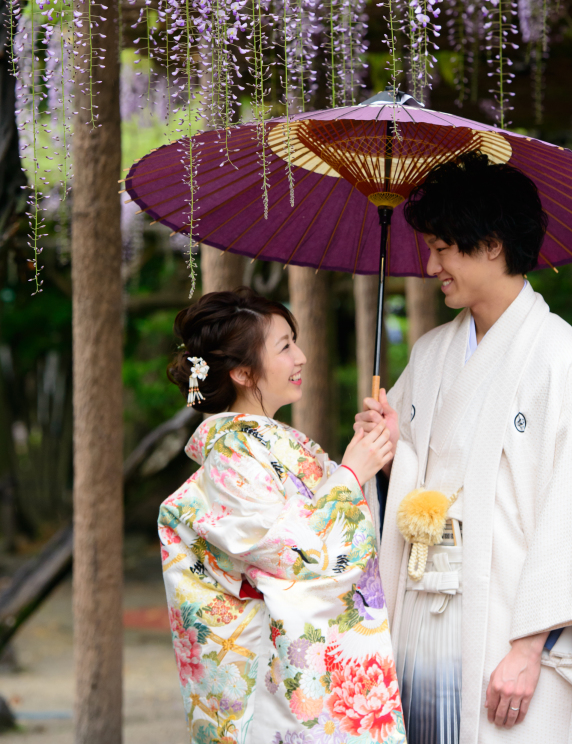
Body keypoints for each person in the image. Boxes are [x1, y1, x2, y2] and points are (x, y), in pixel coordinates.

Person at [356, 153, 572, 744]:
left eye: (441, 248)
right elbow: (394, 483)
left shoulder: (561, 359)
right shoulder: (430, 353)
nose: (430, 266)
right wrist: (388, 448)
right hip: (425, 618)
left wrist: (529, 649)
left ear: (490, 245)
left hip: (511, 623)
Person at [158, 286, 408, 744]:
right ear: (242, 372)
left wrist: (380, 463)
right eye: (285, 346)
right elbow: (294, 555)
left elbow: (353, 518)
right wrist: (352, 473)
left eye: (295, 341)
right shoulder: (231, 455)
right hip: (276, 681)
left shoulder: (277, 444)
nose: (303, 357)